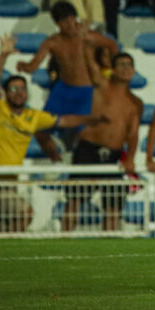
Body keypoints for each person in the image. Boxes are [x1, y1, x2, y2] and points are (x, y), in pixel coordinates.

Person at [0, 35, 107, 232]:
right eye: (13, 89)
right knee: (25, 214)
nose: (18, 93)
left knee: (10, 223)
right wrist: (3, 56)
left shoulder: (32, 116)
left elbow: (65, 120)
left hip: (11, 183)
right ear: (6, 93)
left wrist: (93, 119)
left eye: (22, 89)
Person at [62, 52, 142, 233]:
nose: (125, 68)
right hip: (88, 149)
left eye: (129, 64)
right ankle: (63, 240)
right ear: (112, 70)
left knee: (113, 204)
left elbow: (133, 134)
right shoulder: (101, 87)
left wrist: (130, 159)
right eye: (121, 64)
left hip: (114, 154)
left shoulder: (136, 103)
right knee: (75, 199)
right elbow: (90, 63)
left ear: (134, 70)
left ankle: (109, 246)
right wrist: (83, 40)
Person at [17, 1, 118, 128]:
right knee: (42, 128)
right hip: (63, 89)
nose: (71, 25)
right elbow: (33, 67)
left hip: (87, 90)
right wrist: (22, 66)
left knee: (82, 131)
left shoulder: (89, 36)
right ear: (57, 24)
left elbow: (112, 46)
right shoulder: (52, 42)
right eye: (65, 22)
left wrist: (110, 69)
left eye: (72, 20)